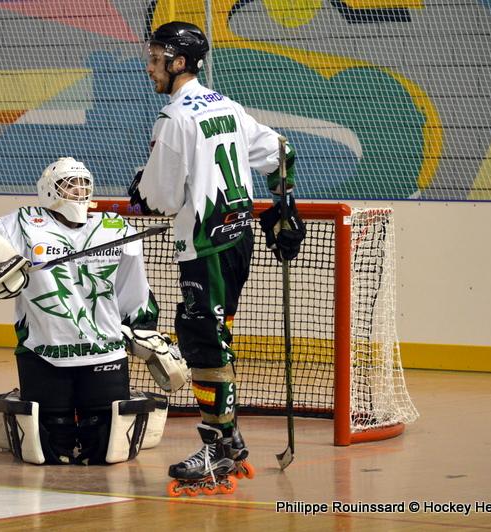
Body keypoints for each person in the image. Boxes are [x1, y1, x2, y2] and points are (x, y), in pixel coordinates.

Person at [129, 21, 306, 489]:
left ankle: (218, 450)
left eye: (155, 59)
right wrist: (283, 206)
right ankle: (229, 438)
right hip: (237, 238)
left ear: (178, 62)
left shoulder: (174, 119)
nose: (149, 68)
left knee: (204, 344)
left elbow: (161, 200)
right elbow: (281, 153)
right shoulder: (227, 106)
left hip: (204, 244)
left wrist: (140, 192)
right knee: (216, 336)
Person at [0, 156, 188, 465]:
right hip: (43, 351)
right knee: (47, 451)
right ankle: (15, 406)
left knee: (105, 450)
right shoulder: (21, 224)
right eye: (69, 185)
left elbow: (133, 286)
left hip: (105, 352)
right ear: (48, 189)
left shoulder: (114, 227)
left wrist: (143, 329)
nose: (78, 192)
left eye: (84, 185)